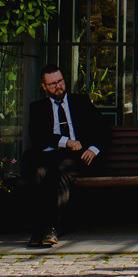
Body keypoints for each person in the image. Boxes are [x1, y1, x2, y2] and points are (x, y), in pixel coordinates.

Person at [21, 65, 108, 248]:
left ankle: (49, 229)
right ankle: (41, 230)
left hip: (75, 157)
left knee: (59, 173)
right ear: (44, 87)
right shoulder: (37, 108)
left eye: (60, 81)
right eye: (52, 84)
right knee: (39, 174)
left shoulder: (80, 102)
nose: (58, 86)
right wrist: (65, 141)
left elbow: (102, 128)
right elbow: (38, 136)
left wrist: (93, 149)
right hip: (48, 155)